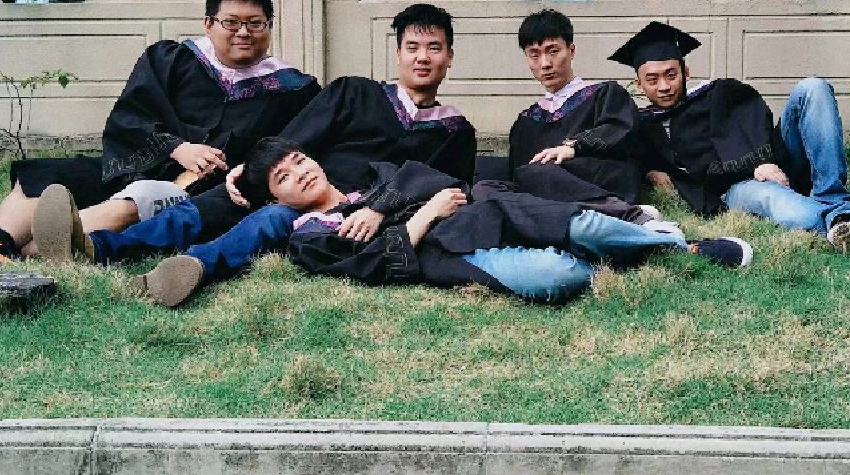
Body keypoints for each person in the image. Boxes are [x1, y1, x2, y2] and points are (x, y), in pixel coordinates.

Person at [0, 0, 320, 270]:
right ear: (208, 24)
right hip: (136, 160)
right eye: (231, 23)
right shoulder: (172, 60)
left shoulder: (291, 88)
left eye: (256, 23)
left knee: (136, 200)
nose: (244, 33)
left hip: (195, 186)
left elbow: (287, 150)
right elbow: (129, 117)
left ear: (269, 26)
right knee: (49, 176)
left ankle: (20, 253)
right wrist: (177, 147)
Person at [31, 3, 477, 266]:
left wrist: (379, 210)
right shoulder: (355, 92)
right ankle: (95, 247)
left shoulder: (455, 131)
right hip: (296, 184)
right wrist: (250, 170)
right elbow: (295, 137)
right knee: (206, 207)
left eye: (433, 48)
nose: (422, 58)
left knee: (267, 220)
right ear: (398, 53)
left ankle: (184, 264)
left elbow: (439, 187)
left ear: (451, 57)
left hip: (349, 212)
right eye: (412, 47)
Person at [130, 138, 752, 308]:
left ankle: (682, 247)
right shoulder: (309, 235)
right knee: (559, 276)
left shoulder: (369, 179)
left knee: (585, 228)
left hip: (493, 211)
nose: (300, 173)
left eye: (298, 160)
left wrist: (386, 207)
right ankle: (631, 248)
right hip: (448, 252)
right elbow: (376, 266)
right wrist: (423, 216)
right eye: (284, 178)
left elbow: (434, 177)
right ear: (277, 199)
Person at [611, 20, 850, 253]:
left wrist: (760, 160)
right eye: (652, 80)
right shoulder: (641, 126)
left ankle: (832, 197)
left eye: (671, 75)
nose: (664, 86)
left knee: (813, 88)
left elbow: (751, 119)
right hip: (737, 186)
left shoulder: (717, 94)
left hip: (777, 158)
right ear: (639, 84)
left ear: (686, 72)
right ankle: (838, 219)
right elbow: (628, 159)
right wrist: (650, 171)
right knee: (774, 200)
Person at [492, 8, 646, 226]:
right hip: (545, 192)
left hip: (597, 182)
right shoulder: (527, 120)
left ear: (571, 51)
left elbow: (621, 133)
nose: (545, 63)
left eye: (553, 51)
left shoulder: (604, 94)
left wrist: (574, 147)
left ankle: (624, 212)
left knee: (536, 173)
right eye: (534, 54)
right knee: (489, 186)